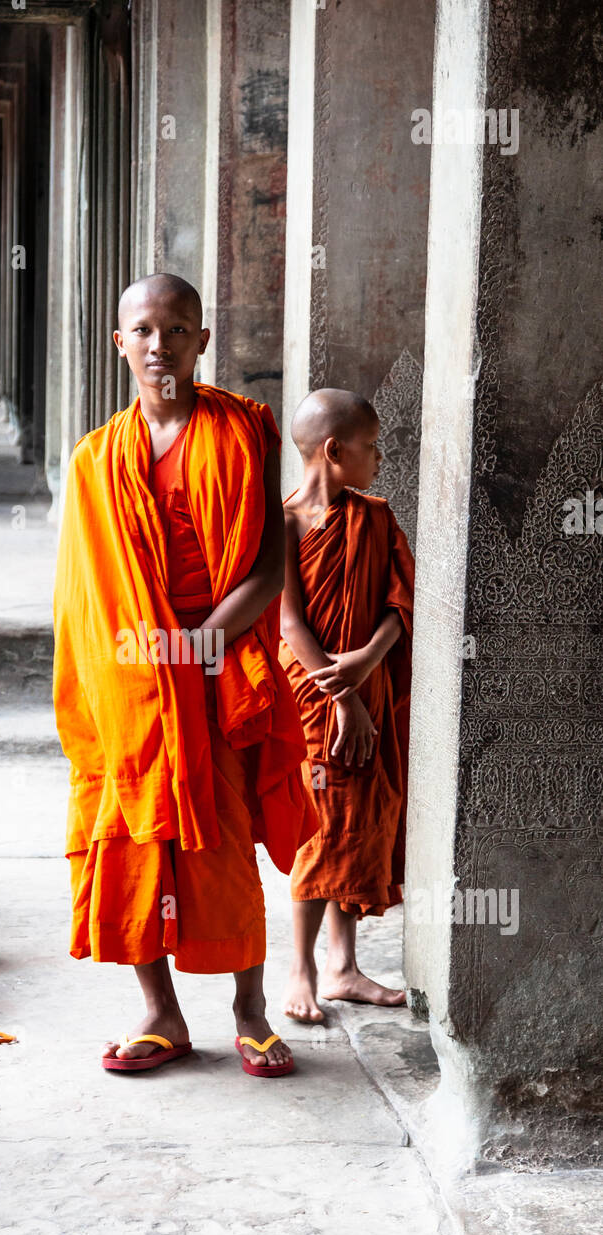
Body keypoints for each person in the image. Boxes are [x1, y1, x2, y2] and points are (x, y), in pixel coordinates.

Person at [53, 273, 316, 1075]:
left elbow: (271, 569)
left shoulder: (243, 432)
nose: (159, 344)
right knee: (137, 838)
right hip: (132, 679)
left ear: (204, 340)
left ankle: (251, 1011)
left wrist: (196, 648)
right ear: (119, 342)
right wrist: (138, 668)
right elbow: (84, 596)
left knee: (225, 843)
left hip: (220, 662)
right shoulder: (96, 461)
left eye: (177, 329)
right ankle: (161, 1014)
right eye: (143, 330)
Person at [278, 389, 414, 1024]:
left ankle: (343, 967)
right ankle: (302, 969)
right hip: (313, 694)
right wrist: (345, 696)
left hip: (366, 680)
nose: (380, 460)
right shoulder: (282, 524)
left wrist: (365, 661)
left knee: (359, 821)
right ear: (334, 452)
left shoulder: (378, 518)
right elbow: (290, 624)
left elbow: (400, 605)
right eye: (372, 447)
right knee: (321, 827)